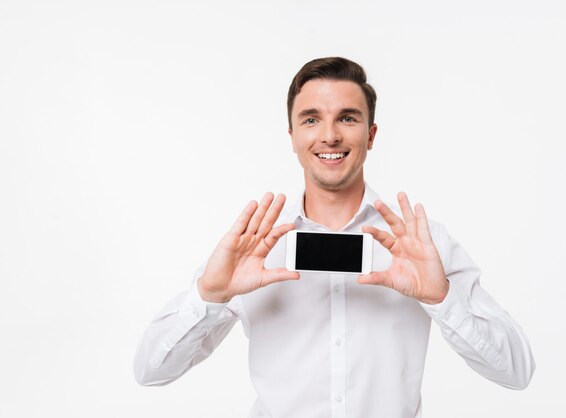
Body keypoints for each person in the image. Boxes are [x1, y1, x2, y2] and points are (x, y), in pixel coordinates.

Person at [134, 57, 535, 417]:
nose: (329, 136)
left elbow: (517, 372)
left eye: (347, 117)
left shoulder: (421, 246)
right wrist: (210, 296)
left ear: (371, 134)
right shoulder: (254, 246)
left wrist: (442, 298)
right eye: (311, 119)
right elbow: (150, 371)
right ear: (291, 136)